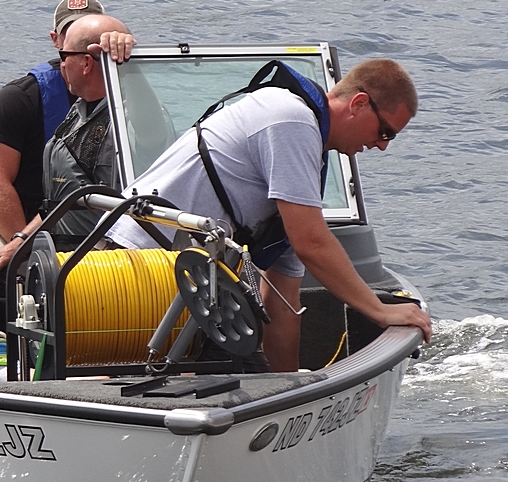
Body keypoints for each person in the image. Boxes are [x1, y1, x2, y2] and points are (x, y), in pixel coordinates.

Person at [102, 58, 432, 372]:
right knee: (116, 371)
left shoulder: (306, 161)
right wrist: (378, 311)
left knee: (251, 372)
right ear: (359, 104)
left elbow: (282, 297)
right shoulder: (291, 119)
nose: (382, 146)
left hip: (189, 282)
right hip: (131, 264)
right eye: (385, 131)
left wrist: (289, 387)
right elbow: (311, 242)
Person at [0, 14, 133, 351]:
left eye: (65, 58)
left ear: (87, 63)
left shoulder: (133, 112)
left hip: (106, 245)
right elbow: (58, 199)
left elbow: (149, 132)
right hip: (58, 232)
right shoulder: (76, 111)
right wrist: (20, 242)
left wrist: (130, 66)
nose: (58, 65)